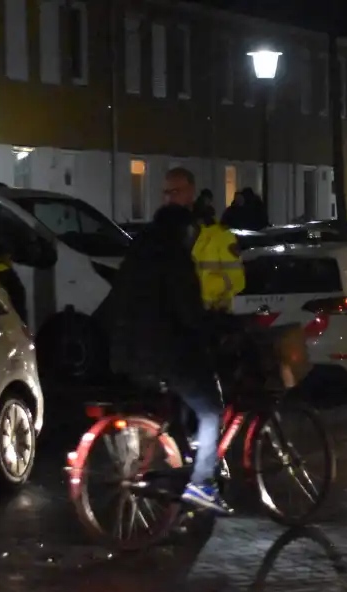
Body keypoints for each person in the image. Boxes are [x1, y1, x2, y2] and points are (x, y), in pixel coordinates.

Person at [101, 204, 231, 514]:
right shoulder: (175, 259)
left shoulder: (135, 258)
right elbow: (189, 315)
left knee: (183, 400)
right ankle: (202, 485)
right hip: (164, 354)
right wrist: (214, 326)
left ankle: (183, 459)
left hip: (127, 354)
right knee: (212, 409)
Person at [165, 168, 246, 311]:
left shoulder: (219, 235)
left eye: (176, 192)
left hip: (210, 319)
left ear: (191, 191)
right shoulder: (162, 234)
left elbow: (237, 280)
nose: (170, 198)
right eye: (167, 193)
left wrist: (199, 291)